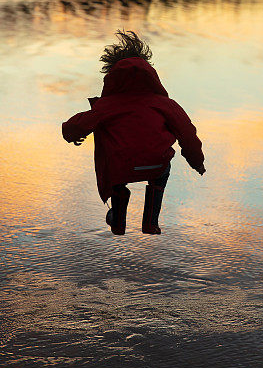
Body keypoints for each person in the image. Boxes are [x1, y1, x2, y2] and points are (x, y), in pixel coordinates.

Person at [61, 30, 205, 235]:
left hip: (120, 167)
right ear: (150, 73)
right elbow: (187, 135)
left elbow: (76, 126)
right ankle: (150, 222)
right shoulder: (164, 104)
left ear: (111, 75)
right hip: (156, 164)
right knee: (162, 172)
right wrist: (197, 163)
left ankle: (118, 219)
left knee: (115, 174)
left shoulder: (107, 106)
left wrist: (71, 134)